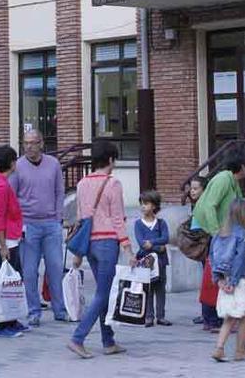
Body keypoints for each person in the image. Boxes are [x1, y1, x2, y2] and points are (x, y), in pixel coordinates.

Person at [67, 140, 133, 359]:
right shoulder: (113, 184)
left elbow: (79, 218)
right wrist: (128, 248)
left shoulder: (82, 183)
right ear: (111, 160)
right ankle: (78, 338)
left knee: (103, 292)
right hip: (107, 243)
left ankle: (108, 340)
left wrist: (77, 254)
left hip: (90, 244)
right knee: (103, 294)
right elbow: (118, 219)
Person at [8, 130, 68, 326]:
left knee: (56, 268)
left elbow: (60, 191)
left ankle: (60, 309)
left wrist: (59, 216)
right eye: (26, 143)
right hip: (28, 226)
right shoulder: (17, 167)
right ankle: (34, 311)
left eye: (33, 143)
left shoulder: (53, 164)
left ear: (42, 143)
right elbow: (11, 196)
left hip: (51, 224)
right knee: (30, 271)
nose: (29, 147)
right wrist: (18, 224)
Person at [192, 151, 245, 334]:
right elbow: (210, 205)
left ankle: (216, 315)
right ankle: (210, 318)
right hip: (214, 231)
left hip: (225, 233)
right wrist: (216, 232)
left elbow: (238, 206)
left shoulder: (233, 183)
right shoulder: (223, 179)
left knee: (218, 271)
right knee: (214, 271)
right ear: (242, 167)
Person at [0, 145, 28, 338]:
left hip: (8, 239)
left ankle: (11, 320)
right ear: (11, 163)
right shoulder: (1, 186)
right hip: (5, 241)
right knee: (7, 284)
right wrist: (3, 247)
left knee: (12, 282)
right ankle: (2, 325)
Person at [210, 199, 245, 363]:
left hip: (224, 280)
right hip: (240, 280)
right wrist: (234, 281)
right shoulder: (243, 234)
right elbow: (241, 259)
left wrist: (219, 279)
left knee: (229, 317)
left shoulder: (219, 234)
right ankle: (240, 351)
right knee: (243, 317)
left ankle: (219, 348)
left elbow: (212, 258)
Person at [134, 190, 170, 327]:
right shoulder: (138, 224)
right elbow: (142, 243)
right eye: (141, 204)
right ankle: (149, 316)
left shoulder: (161, 223)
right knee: (147, 288)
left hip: (160, 262)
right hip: (146, 262)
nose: (143, 206)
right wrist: (158, 246)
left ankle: (161, 316)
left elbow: (165, 238)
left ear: (154, 206)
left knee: (160, 288)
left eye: (146, 204)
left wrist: (152, 243)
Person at [187, 176, 218, 329]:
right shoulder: (200, 205)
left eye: (195, 188)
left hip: (205, 244)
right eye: (191, 188)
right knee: (209, 280)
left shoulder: (203, 204)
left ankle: (207, 315)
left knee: (209, 280)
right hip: (204, 245)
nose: (192, 191)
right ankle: (209, 317)